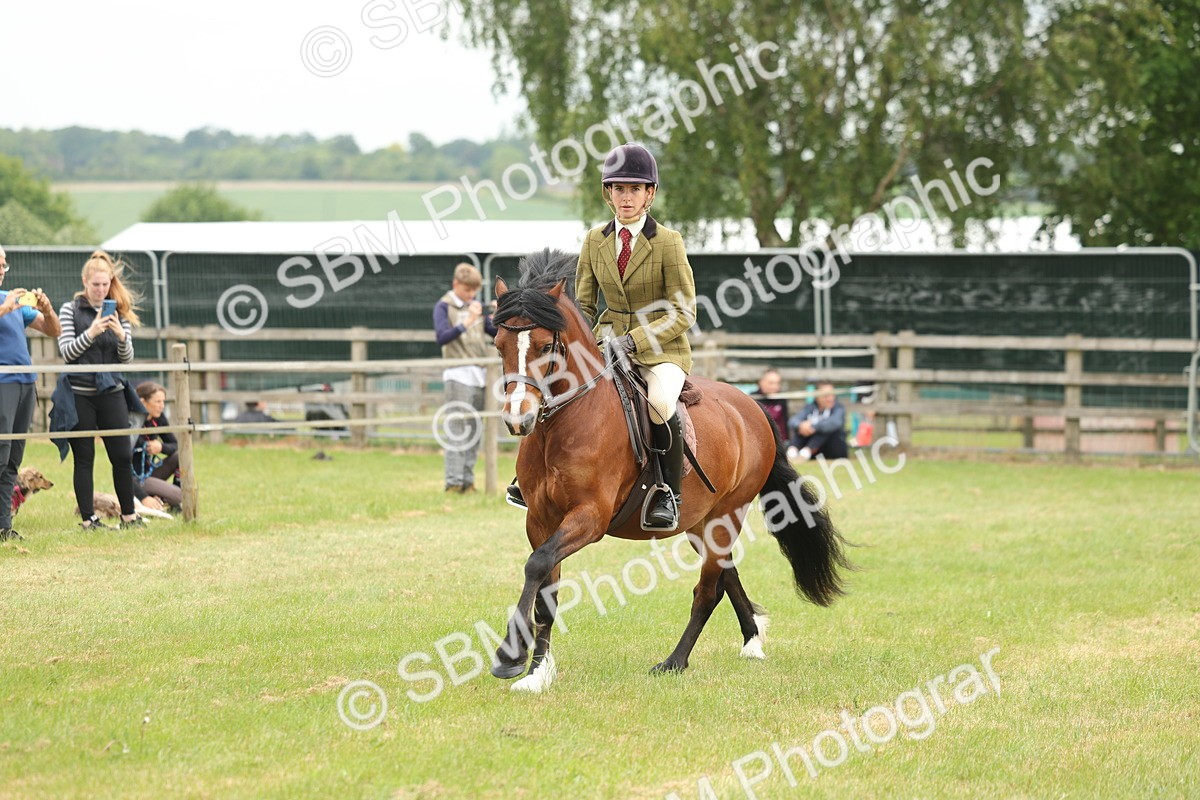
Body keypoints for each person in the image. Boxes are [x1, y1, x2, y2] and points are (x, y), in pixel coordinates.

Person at [576, 142, 697, 529]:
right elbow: (583, 306)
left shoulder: (668, 242)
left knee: (660, 402)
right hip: (605, 344)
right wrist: (582, 343)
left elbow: (684, 311)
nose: (626, 197)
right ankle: (534, 478)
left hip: (661, 350)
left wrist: (634, 340)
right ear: (608, 194)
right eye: (618, 188)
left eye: (634, 189)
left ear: (650, 193)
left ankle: (668, 493)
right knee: (560, 388)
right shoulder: (594, 240)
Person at [53, 251, 146, 530]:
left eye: (105, 285)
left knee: (121, 455)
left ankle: (129, 515)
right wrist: (92, 331)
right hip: (80, 394)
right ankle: (88, 519)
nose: (101, 290)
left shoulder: (118, 311)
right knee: (84, 458)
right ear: (84, 281)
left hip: (112, 392)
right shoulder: (69, 310)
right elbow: (67, 353)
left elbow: (127, 358)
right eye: (96, 285)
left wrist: (120, 335)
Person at [0, 244, 62, 541]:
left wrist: (47, 310)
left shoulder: (12, 301)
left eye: (4, 264)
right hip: (3, 383)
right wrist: (6, 309)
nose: (2, 269)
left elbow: (54, 331)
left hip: (25, 383)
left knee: (13, 458)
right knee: (0, 454)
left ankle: (4, 527)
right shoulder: (7, 304)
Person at [433, 263, 496, 493]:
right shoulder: (443, 306)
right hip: (457, 373)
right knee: (457, 430)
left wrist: (498, 316)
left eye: (474, 291)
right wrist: (466, 323)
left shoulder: (475, 307)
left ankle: (468, 481)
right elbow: (442, 337)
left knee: (474, 429)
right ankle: (453, 481)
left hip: (479, 375)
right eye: (467, 291)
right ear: (456, 285)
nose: (471, 296)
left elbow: (495, 332)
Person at [131, 381, 182, 512]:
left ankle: (172, 501)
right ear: (143, 402)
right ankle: (167, 498)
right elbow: (121, 468)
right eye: (157, 402)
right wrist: (144, 497)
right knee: (179, 496)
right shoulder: (129, 421)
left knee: (181, 455)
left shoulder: (158, 418)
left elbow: (175, 445)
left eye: (163, 401)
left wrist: (161, 447)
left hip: (149, 474)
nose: (162, 406)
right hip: (133, 479)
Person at [788, 381, 849, 461]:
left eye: (832, 394)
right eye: (826, 396)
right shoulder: (810, 407)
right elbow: (793, 421)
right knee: (801, 428)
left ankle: (805, 452)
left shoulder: (839, 408)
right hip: (817, 450)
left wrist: (813, 426)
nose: (830, 398)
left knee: (826, 428)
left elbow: (834, 423)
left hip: (834, 449)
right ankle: (792, 451)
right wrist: (800, 425)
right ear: (817, 396)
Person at [751, 368, 788, 440]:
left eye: (778, 383)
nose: (775, 387)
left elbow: (784, 424)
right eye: (771, 383)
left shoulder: (782, 398)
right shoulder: (752, 399)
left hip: (778, 440)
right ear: (761, 382)